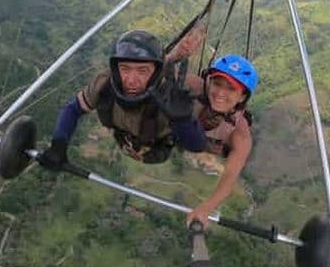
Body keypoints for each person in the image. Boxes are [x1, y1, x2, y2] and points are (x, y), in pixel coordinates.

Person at [37, 29, 207, 170]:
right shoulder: (105, 82)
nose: (131, 80)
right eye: (125, 69)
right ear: (116, 69)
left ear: (155, 72)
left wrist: (183, 119)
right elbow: (73, 109)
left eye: (142, 71)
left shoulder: (169, 96)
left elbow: (197, 145)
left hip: (156, 147)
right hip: (123, 137)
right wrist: (58, 145)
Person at [184, 54, 258, 228]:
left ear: (242, 97)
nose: (220, 93)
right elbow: (158, 73)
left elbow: (230, 177)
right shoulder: (194, 86)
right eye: (217, 84)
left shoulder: (240, 133)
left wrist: (206, 208)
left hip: (208, 144)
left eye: (231, 89)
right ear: (209, 82)